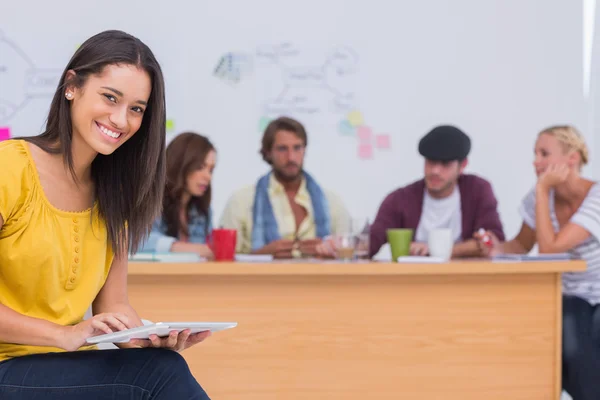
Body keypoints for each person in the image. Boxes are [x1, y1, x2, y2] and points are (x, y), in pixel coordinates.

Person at [0, 30, 211, 399]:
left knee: (162, 366)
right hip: (9, 365)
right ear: (72, 87)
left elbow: (113, 306)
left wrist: (145, 339)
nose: (120, 119)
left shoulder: (115, 196)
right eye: (110, 98)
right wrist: (64, 335)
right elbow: (71, 335)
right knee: (157, 379)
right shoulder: (9, 168)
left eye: (136, 109)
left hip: (60, 365)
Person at [475, 125, 599, 400]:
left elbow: (549, 248)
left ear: (572, 158)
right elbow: (521, 244)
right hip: (566, 293)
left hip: (597, 294)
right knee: (551, 340)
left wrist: (542, 189)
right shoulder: (541, 196)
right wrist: (493, 248)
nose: (536, 161)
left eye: (544, 154)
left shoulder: (596, 196)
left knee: (575, 343)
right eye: (535, 154)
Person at [220, 116, 351, 258]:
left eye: (297, 148)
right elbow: (224, 260)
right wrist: (262, 256)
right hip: (262, 280)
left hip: (319, 280)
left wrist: (329, 254)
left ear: (305, 150)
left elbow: (350, 256)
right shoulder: (241, 201)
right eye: (282, 149)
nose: (291, 157)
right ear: (268, 153)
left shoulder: (331, 202)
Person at [369, 125, 505, 258]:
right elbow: (371, 243)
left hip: (465, 278)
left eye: (445, 164)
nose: (435, 171)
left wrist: (434, 251)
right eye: (431, 162)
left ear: (462, 165)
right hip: (414, 278)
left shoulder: (478, 190)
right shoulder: (400, 199)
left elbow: (493, 240)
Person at [138, 132, 216, 259]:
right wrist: (178, 247)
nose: (208, 176)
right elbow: (134, 241)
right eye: (200, 167)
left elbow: (206, 251)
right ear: (180, 164)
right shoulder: (150, 199)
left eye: (211, 169)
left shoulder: (203, 209)